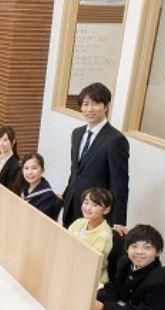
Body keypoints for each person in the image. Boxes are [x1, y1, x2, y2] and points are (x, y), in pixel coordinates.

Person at [62, 82, 129, 235]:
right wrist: (65, 198)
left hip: (96, 212)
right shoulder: (77, 134)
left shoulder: (116, 140)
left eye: (96, 103)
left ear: (106, 106)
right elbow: (75, 171)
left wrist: (119, 219)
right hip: (72, 204)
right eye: (86, 104)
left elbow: (120, 183)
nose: (90, 109)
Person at [67, 187, 114, 282]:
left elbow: (93, 264)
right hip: (71, 269)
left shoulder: (104, 235)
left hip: (92, 279)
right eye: (86, 202)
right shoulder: (79, 222)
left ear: (106, 210)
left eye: (95, 205)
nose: (88, 208)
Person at [20, 153, 57, 219]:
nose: (29, 172)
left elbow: (40, 220)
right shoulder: (24, 187)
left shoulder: (48, 196)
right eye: (26, 168)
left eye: (34, 168)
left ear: (42, 170)